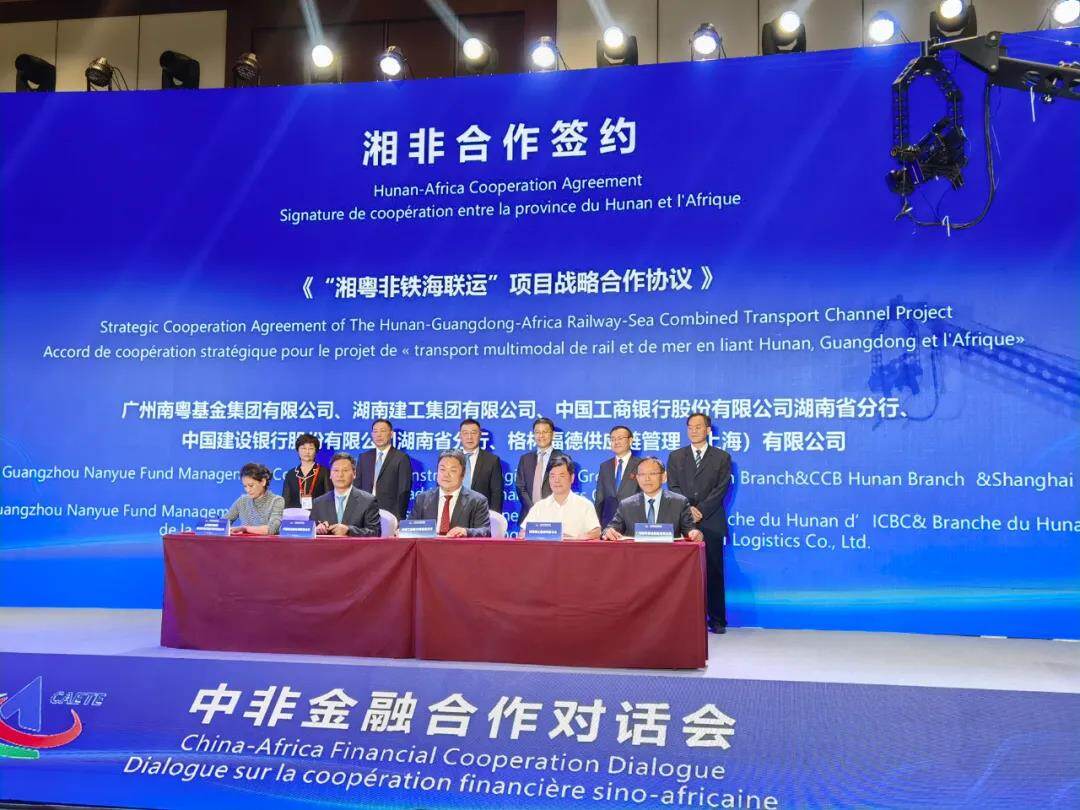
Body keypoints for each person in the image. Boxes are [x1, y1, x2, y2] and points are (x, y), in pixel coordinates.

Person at [667, 412, 732, 634]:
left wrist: (701, 510)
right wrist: (688, 509)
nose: (693, 431)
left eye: (698, 427)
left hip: (711, 520)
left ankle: (717, 619)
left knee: (713, 571)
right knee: (682, 574)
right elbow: (673, 487)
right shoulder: (676, 456)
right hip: (683, 521)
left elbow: (721, 489)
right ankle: (684, 619)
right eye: (690, 427)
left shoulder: (722, 457)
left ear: (708, 430)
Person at [602, 457, 703, 543]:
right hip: (635, 556)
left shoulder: (679, 502)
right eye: (642, 474)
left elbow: (689, 529)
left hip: (669, 556)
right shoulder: (626, 505)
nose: (647, 479)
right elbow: (611, 528)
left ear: (664, 477)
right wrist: (608, 532)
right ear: (637, 478)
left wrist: (695, 534)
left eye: (653, 473)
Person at [409, 450, 491, 537]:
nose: (446, 475)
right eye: (442, 469)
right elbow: (409, 528)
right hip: (428, 545)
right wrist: (403, 530)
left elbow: (485, 531)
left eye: (453, 470)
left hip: (460, 545)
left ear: (463, 474)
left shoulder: (477, 501)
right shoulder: (422, 499)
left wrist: (466, 531)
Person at [520, 455, 601, 539]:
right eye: (552, 476)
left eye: (561, 476)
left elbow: (596, 532)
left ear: (572, 478)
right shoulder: (539, 507)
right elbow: (523, 533)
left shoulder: (585, 505)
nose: (556, 480)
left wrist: (577, 538)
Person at [310, 452, 382, 536]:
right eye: (336, 470)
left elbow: (375, 532)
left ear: (354, 474)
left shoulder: (368, 501)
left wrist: (349, 530)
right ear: (330, 474)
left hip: (356, 545)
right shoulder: (318, 503)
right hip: (328, 545)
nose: (340, 475)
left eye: (345, 470)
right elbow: (309, 531)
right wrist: (316, 530)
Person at [357, 419, 413, 519]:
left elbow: (404, 491)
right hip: (364, 512)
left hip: (389, 514)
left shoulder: (401, 458)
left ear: (391, 434)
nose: (378, 435)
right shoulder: (364, 457)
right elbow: (357, 486)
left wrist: (399, 517)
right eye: (375, 431)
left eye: (382, 431)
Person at [593, 425, 641, 526]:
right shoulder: (605, 466)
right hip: (608, 523)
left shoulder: (641, 465)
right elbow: (599, 498)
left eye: (620, 438)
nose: (616, 442)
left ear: (630, 440)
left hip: (634, 522)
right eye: (613, 439)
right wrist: (596, 524)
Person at [515, 417, 560, 518]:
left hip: (554, 515)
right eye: (537, 432)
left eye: (545, 432)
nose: (541, 436)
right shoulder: (525, 459)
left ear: (553, 434)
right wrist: (533, 509)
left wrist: (547, 509)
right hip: (529, 515)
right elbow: (520, 487)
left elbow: (563, 488)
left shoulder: (561, 458)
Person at [225, 462, 285, 535]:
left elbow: (272, 529)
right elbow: (223, 523)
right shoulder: (242, 501)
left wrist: (245, 528)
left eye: (251, 485)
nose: (247, 490)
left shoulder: (277, 501)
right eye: (245, 486)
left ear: (263, 482)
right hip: (244, 542)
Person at [458, 418, 504, 512]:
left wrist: (494, 516)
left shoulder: (492, 460)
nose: (469, 437)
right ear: (460, 436)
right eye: (465, 433)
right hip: (454, 512)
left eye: (473, 433)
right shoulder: (451, 458)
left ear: (480, 435)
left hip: (481, 513)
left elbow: (497, 494)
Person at [281, 433, 330, 510]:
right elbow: (286, 500)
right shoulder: (291, 474)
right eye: (303, 448)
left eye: (311, 448)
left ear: (316, 451)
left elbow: (329, 497)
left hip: (318, 514)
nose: (307, 452)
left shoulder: (324, 471)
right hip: (295, 515)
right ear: (298, 450)